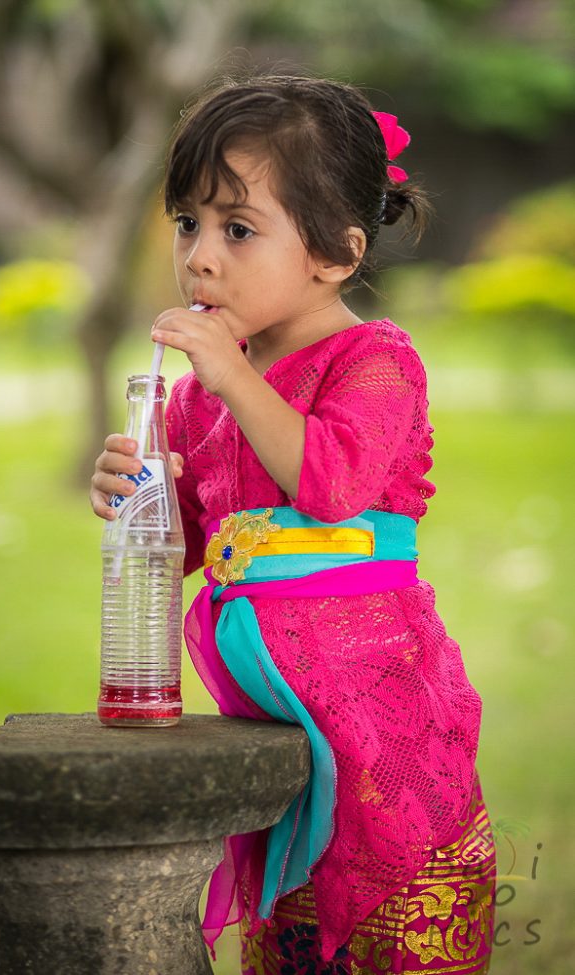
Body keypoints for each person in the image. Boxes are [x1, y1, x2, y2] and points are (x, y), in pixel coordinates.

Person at [90, 74, 496, 975]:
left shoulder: (375, 360)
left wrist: (229, 376)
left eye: (238, 229)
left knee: (397, 940)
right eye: (187, 222)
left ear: (337, 254)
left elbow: (334, 483)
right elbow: (188, 547)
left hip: (379, 722)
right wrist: (132, 493)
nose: (199, 256)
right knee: (292, 944)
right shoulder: (198, 400)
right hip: (277, 736)